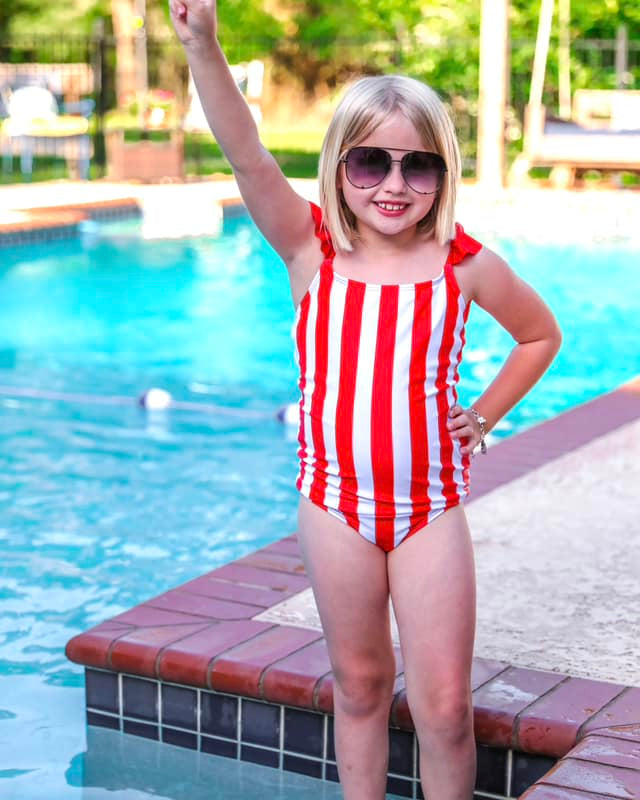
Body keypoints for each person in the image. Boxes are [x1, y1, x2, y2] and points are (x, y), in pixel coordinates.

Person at [170, 3, 562, 798]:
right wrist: (202, 44)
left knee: (445, 707)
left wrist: (484, 415)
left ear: (444, 175)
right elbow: (245, 153)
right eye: (370, 163)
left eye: (418, 167)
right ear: (338, 166)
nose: (393, 184)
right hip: (336, 508)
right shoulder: (311, 248)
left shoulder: (463, 265)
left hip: (428, 510)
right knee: (359, 687)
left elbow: (540, 335)